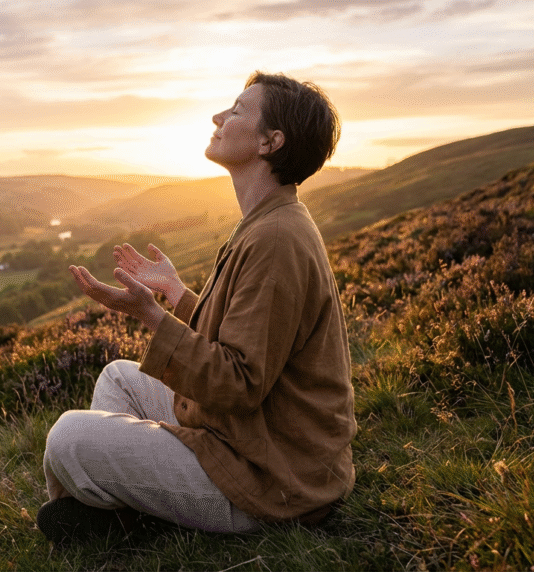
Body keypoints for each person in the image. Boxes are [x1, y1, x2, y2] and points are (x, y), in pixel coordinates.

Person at [37, 71, 357, 545]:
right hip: (260, 441)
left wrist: (152, 317)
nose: (219, 116)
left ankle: (124, 515)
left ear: (271, 142)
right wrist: (175, 293)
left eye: (238, 110)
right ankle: (128, 511)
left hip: (273, 480)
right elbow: (245, 340)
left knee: (67, 437)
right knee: (119, 378)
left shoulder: (275, 238)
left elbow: (239, 383)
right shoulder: (271, 221)